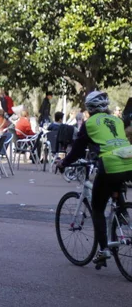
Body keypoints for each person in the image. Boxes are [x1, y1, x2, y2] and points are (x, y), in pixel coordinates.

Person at [57, 91, 132, 266]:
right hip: (129, 161)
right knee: (114, 187)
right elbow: (111, 140)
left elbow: (77, 150)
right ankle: (122, 214)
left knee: (97, 208)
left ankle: (104, 249)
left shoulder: (89, 123)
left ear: (89, 108)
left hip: (111, 164)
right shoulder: (117, 120)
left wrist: (64, 163)